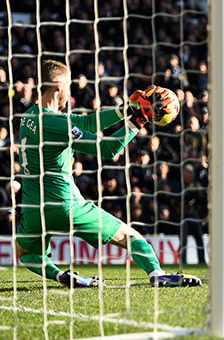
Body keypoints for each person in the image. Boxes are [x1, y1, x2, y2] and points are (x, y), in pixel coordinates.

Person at [16, 60, 201, 288]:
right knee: (132, 237)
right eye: (68, 85)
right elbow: (108, 149)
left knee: (25, 252)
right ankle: (157, 273)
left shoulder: (28, 117)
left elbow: (86, 122)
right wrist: (138, 120)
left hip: (34, 210)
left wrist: (124, 109)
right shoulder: (56, 124)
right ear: (58, 86)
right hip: (66, 205)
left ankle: (60, 275)